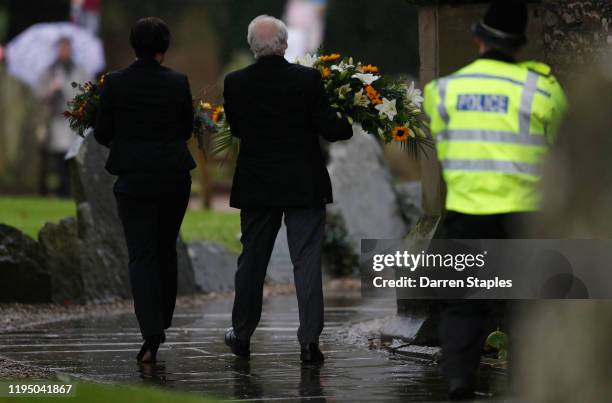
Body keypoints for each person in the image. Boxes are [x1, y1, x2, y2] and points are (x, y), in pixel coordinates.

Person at [422, 0, 566, 399]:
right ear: (521, 45)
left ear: (477, 38)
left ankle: (458, 381)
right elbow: (561, 146)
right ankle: (527, 379)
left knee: (463, 302)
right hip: (525, 214)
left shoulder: (444, 91)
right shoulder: (543, 89)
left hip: (468, 212)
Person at [223, 15, 353, 363]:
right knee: (307, 261)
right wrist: (349, 122)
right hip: (303, 182)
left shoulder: (235, 83)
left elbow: (236, 129)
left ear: (253, 47)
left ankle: (242, 333)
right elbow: (328, 126)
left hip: (257, 184)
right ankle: (309, 341)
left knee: (252, 260)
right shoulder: (307, 79)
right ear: (284, 45)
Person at [93, 17, 196, 363]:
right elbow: (185, 129)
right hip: (173, 176)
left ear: (134, 47)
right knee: (166, 248)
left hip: (134, 178)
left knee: (141, 253)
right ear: (162, 51)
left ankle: (151, 330)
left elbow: (102, 131)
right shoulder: (178, 83)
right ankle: (163, 318)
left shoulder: (114, 83)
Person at [37, 37, 90, 197]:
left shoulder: (80, 70)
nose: (64, 51)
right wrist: (51, 90)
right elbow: (40, 95)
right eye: (61, 48)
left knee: (73, 157)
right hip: (56, 120)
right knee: (57, 158)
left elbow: (89, 92)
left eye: (67, 48)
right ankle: (59, 191)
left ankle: (70, 191)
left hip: (75, 121)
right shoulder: (49, 71)